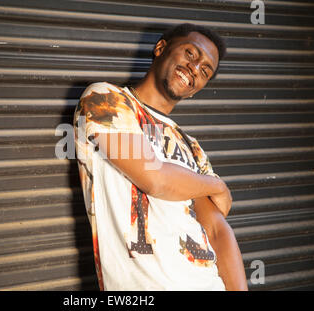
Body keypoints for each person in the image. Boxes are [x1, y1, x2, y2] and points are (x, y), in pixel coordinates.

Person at [73, 23, 248, 291]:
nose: (195, 69)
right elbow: (154, 178)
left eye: (205, 71)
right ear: (160, 48)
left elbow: (215, 227)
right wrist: (217, 185)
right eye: (191, 54)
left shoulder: (191, 147)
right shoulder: (106, 99)